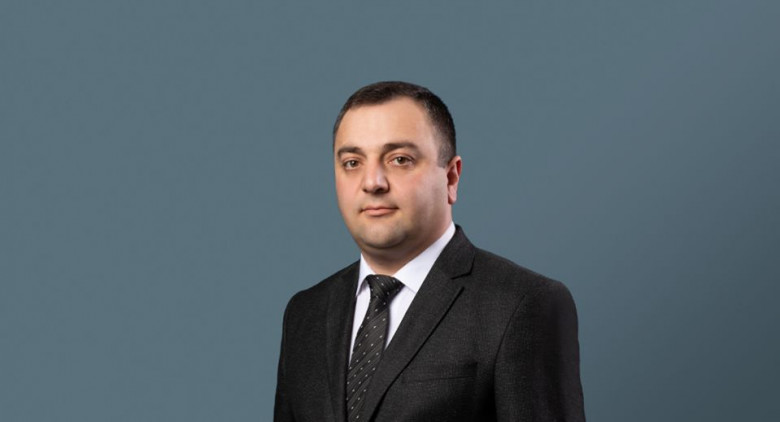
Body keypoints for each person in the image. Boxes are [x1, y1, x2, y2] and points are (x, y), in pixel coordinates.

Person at [274, 81, 585, 421]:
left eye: (400, 159)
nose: (372, 182)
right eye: (352, 162)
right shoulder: (305, 314)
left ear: (451, 178)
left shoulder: (521, 304)